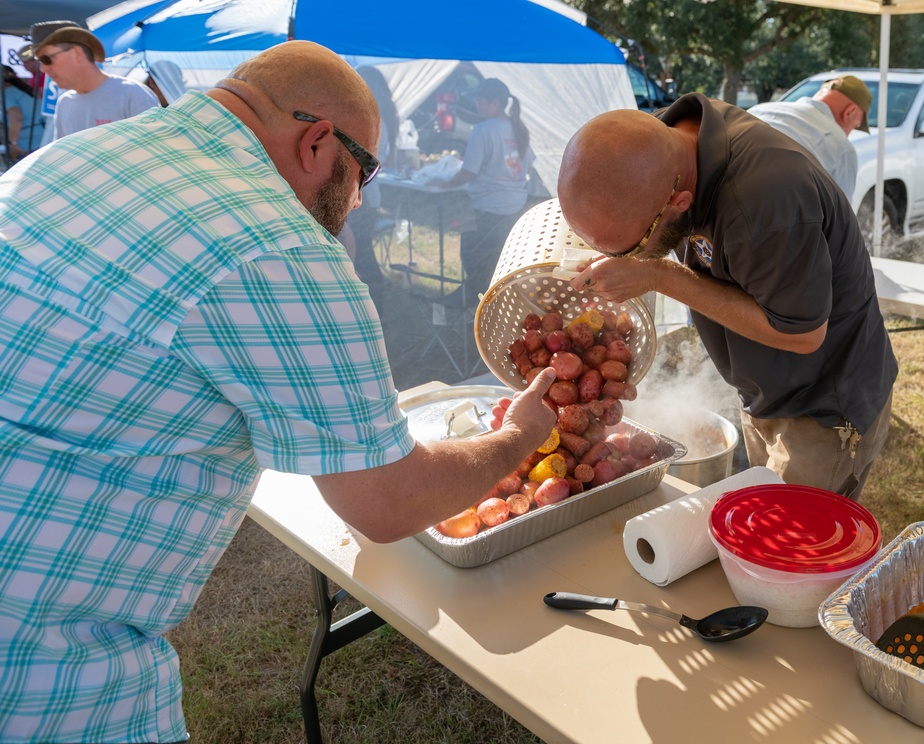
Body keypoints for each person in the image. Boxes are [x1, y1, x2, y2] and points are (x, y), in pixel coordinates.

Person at [0, 40, 556, 743]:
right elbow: (388, 501)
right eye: (363, 174)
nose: (355, 203)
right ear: (320, 141)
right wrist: (518, 439)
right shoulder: (282, 246)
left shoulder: (69, 158)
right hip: (47, 676)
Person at [558, 96, 897, 502]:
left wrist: (657, 273)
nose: (623, 260)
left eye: (630, 248)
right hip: (767, 391)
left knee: (788, 555)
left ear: (679, 202)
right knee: (758, 516)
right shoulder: (664, 140)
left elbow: (803, 334)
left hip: (822, 404)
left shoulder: (765, 203)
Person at [430, 77, 535, 304]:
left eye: (481, 100)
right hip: (516, 207)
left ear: (494, 103)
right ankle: (499, 301)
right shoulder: (518, 128)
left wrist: (443, 182)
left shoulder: (483, 130)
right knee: (501, 258)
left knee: (480, 258)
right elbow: (527, 164)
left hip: (491, 207)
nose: (477, 105)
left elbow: (469, 172)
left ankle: (481, 302)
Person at [21, 20, 158, 139]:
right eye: (39, 62)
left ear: (77, 53)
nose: (43, 69)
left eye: (46, 59)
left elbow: (157, 152)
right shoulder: (64, 103)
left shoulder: (132, 94)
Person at [747, 75, 872, 198]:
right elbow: (841, 215)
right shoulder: (842, 148)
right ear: (849, 113)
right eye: (855, 126)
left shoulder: (757, 110)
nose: (849, 134)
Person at [345, 65, 399, 314]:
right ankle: (373, 302)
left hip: (363, 198)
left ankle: (374, 305)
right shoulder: (381, 117)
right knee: (360, 253)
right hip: (367, 197)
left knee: (362, 255)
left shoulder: (371, 119)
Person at [1, 65, 44, 162]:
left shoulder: (7, 93)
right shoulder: (18, 90)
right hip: (40, 140)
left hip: (31, 144)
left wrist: (13, 143)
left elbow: (16, 119)